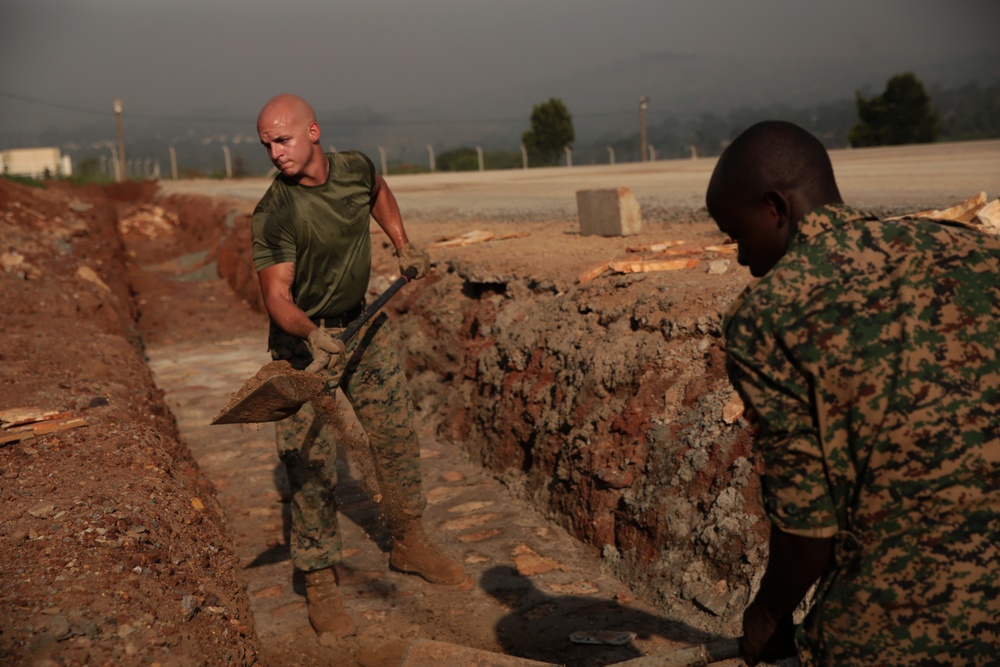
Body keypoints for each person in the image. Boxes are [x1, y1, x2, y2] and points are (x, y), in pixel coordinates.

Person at [706, 120, 999, 665]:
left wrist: (767, 617)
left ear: (777, 207)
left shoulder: (767, 317)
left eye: (736, 235)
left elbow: (808, 529)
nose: (742, 259)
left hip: (895, 634)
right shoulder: (977, 255)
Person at [250, 94, 465, 640]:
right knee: (312, 463)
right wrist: (310, 335)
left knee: (394, 435)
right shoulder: (275, 212)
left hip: (364, 324)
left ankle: (410, 542)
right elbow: (276, 296)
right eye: (267, 145)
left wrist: (402, 244)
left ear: (313, 132)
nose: (275, 153)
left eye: (284, 140)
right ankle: (319, 580)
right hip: (306, 346)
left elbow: (378, 192)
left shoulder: (353, 169)